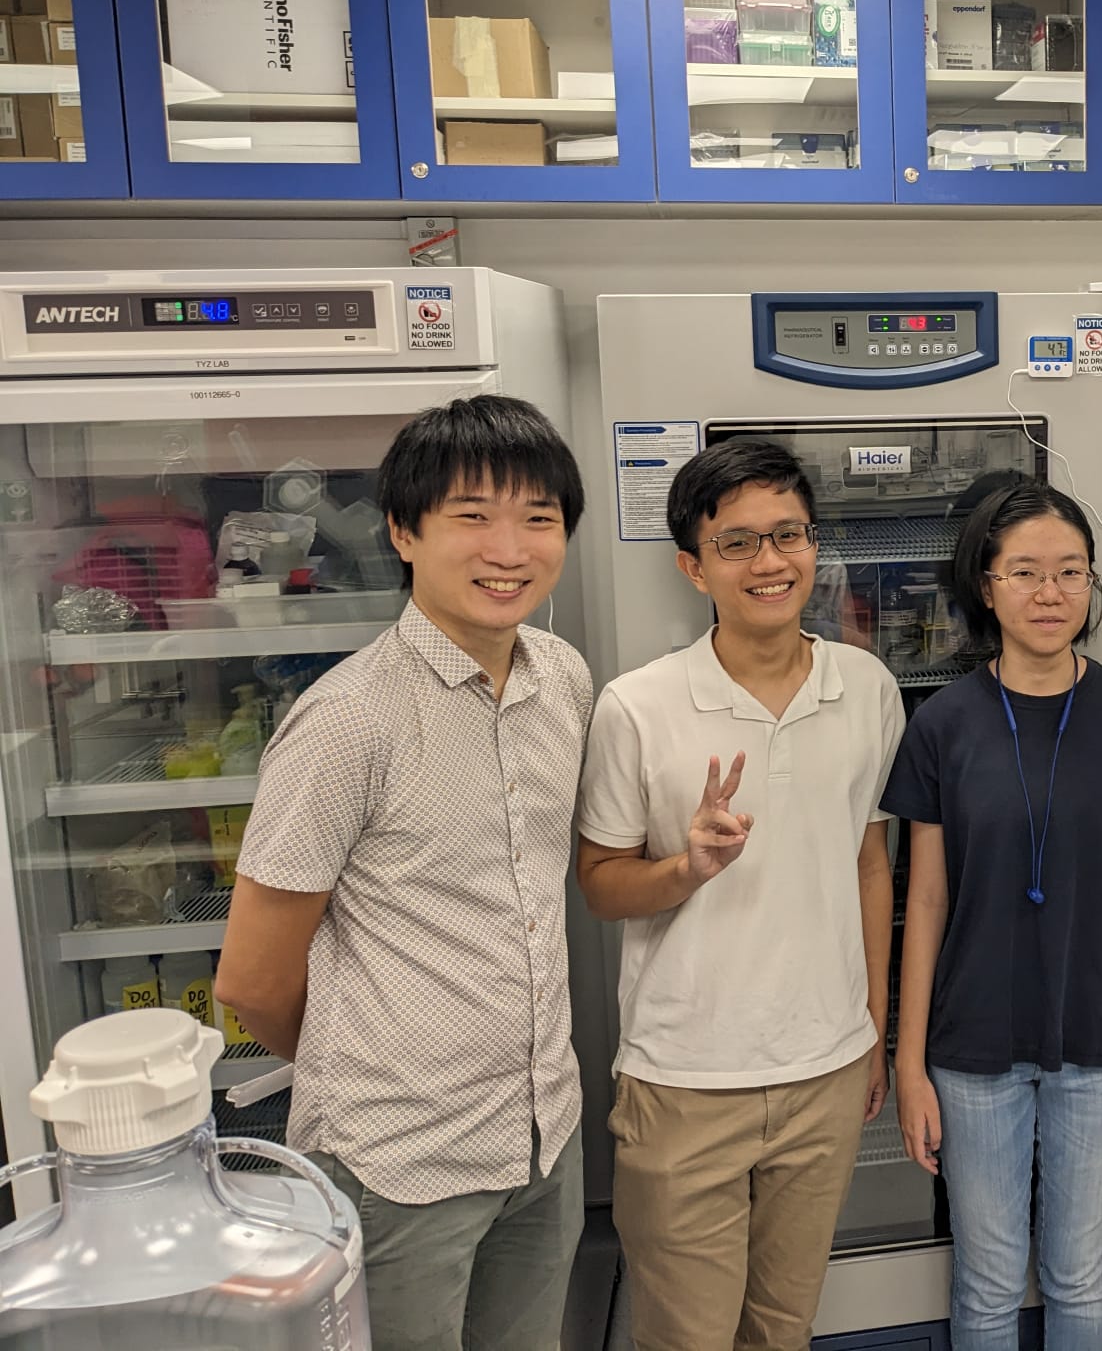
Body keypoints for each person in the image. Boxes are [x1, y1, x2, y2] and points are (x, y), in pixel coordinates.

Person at [215, 394, 592, 1351]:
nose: (509, 548)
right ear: (403, 531)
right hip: (397, 1166)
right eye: (472, 515)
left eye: (538, 517)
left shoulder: (563, 680)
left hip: (543, 1135)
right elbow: (251, 980)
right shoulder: (348, 721)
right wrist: (373, 1069)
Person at [883, 476, 1102, 1351]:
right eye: (1027, 572)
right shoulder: (942, 724)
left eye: (1071, 572)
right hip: (972, 1042)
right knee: (989, 1281)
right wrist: (909, 1064)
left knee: (1080, 1276)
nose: (1051, 593)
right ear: (986, 584)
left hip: (1093, 1035)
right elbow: (925, 901)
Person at [574, 437, 904, 1351]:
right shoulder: (638, 706)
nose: (770, 562)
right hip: (686, 1081)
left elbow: (868, 863)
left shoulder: (867, 688)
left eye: (789, 535)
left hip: (826, 1070)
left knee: (783, 1330)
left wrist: (871, 1030)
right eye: (738, 543)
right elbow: (600, 886)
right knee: (687, 1338)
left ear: (814, 546)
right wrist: (686, 868)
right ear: (694, 566)